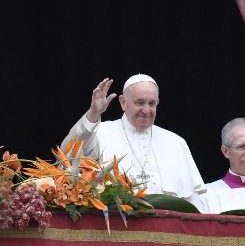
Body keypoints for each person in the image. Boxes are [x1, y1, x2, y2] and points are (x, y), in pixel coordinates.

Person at [62, 74, 205, 207]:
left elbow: (194, 203)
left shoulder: (176, 142)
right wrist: (94, 113)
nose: (147, 110)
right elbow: (68, 155)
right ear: (123, 102)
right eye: (140, 103)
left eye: (152, 103)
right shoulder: (101, 132)